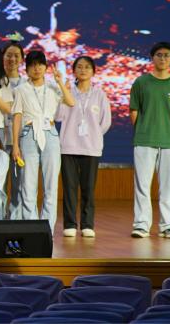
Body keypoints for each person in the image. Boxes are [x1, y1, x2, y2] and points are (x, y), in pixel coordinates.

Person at [11, 49, 75, 232]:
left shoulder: (53, 87)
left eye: (40, 64)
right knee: (28, 183)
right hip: (28, 134)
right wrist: (15, 145)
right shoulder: (21, 90)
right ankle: (31, 228)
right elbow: (17, 116)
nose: (36, 68)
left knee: (51, 185)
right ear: (27, 69)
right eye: (32, 65)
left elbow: (71, 102)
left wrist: (60, 81)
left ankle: (47, 229)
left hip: (50, 134)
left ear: (46, 67)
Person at [129, 41, 170, 239]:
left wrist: (165, 127)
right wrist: (145, 130)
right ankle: (141, 225)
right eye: (159, 55)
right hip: (144, 141)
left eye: (166, 55)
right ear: (152, 58)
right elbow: (134, 111)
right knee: (142, 185)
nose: (163, 58)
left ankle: (167, 226)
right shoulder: (141, 82)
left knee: (168, 186)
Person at [58, 56, 111, 238]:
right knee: (69, 188)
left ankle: (87, 224)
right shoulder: (68, 91)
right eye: (79, 67)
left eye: (87, 67)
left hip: (91, 147)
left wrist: (93, 136)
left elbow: (105, 122)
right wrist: (63, 92)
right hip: (68, 146)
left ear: (93, 71)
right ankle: (70, 224)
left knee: (88, 188)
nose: (83, 70)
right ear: (74, 71)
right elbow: (58, 116)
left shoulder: (100, 95)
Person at [2, 41, 26, 220]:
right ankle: (0, 215)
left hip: (20, 139)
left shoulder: (26, 84)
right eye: (9, 55)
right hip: (1, 139)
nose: (12, 59)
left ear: (22, 59)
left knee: (19, 182)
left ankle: (15, 217)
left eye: (16, 55)